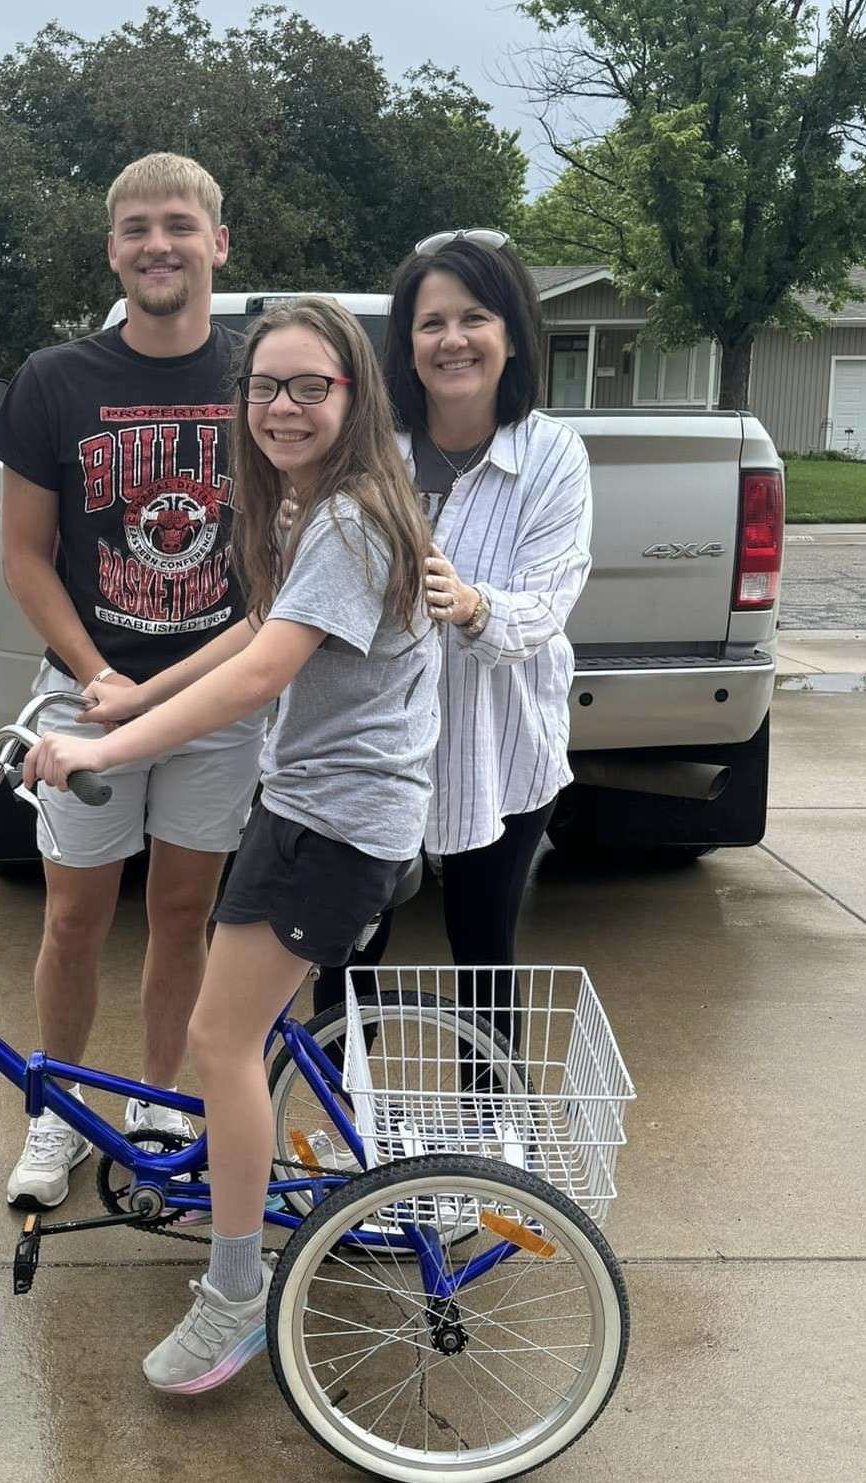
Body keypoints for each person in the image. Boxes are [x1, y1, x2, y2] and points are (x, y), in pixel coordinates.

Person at [24, 295, 441, 1393]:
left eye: (309, 387)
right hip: (315, 806)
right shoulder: (319, 505)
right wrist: (128, 700)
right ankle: (247, 1198)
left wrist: (100, 750)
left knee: (219, 1039)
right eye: (263, 388)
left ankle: (236, 1291)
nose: (282, 407)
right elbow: (260, 627)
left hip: (335, 822)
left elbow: (261, 674)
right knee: (238, 1029)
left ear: (353, 394)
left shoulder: (350, 518)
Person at [0, 153, 263, 1210]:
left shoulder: (257, 379)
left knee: (184, 912)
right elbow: (25, 557)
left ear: (217, 243)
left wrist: (180, 689)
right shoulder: (55, 380)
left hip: (215, 699)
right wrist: (99, 672)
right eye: (138, 227)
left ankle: (154, 1102)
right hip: (87, 696)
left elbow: (284, 559)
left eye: (180, 225)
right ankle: (57, 1108)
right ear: (112, 250)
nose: (159, 244)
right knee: (72, 917)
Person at [310, 229, 594, 1053]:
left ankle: (489, 1115)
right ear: (407, 342)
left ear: (512, 333)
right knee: (347, 948)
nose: (453, 340)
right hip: (370, 746)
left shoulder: (553, 455)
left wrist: (472, 606)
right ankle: (340, 1112)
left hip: (498, 747)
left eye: (475, 318)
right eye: (431, 323)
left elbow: (548, 601)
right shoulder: (368, 447)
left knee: (483, 946)